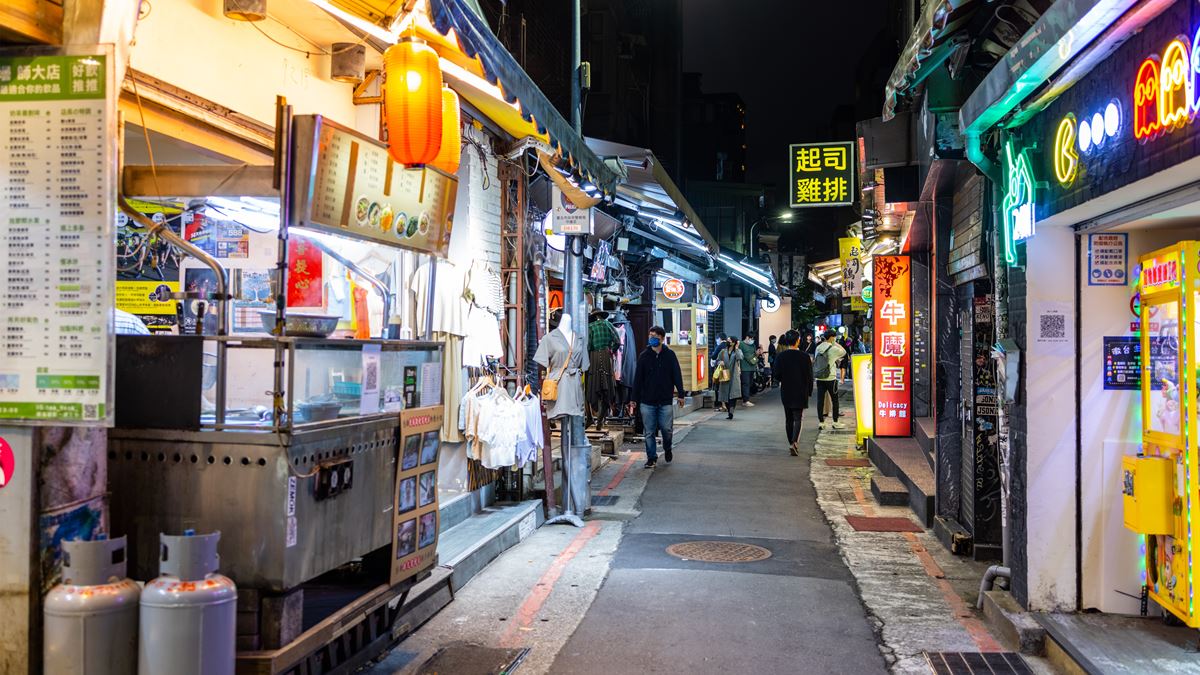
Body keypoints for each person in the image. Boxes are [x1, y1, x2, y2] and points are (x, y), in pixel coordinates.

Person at [630, 326, 685, 468]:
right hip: (647, 401)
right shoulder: (644, 356)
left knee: (667, 429)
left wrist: (681, 394)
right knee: (649, 432)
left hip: (665, 400)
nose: (651, 338)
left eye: (654, 336)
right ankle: (651, 458)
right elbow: (638, 379)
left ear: (661, 338)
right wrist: (633, 399)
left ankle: (667, 448)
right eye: (650, 336)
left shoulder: (670, 355)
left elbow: (676, 375)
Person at [774, 330, 813, 456]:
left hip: (787, 390)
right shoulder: (805, 357)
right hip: (801, 390)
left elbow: (777, 375)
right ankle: (794, 442)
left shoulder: (781, 356)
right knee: (798, 417)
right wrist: (810, 390)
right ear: (797, 341)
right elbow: (809, 376)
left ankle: (790, 441)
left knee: (788, 418)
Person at [813, 329, 847, 429]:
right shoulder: (833, 348)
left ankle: (821, 423)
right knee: (835, 400)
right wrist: (835, 343)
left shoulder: (818, 347)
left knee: (820, 401)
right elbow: (844, 352)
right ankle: (835, 422)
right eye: (834, 337)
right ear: (832, 337)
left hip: (820, 378)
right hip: (831, 378)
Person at [714, 336, 742, 419]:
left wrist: (736, 348)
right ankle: (728, 408)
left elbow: (740, 357)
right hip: (725, 374)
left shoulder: (738, 351)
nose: (728, 341)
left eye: (729, 340)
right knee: (725, 394)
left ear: (733, 342)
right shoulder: (723, 351)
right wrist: (720, 362)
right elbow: (717, 360)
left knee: (733, 395)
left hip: (734, 375)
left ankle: (731, 412)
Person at [738, 333, 758, 406]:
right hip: (744, 368)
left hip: (752, 368)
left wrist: (756, 356)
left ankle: (746, 399)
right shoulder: (741, 344)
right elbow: (750, 359)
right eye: (751, 338)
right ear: (747, 337)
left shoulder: (753, 345)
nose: (752, 340)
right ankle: (745, 400)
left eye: (753, 339)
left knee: (750, 383)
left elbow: (754, 358)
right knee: (745, 384)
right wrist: (755, 357)